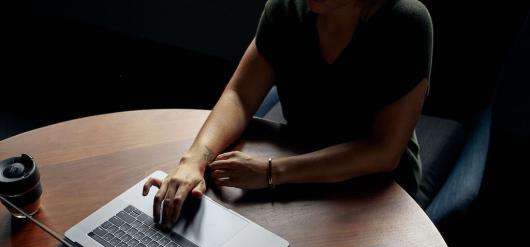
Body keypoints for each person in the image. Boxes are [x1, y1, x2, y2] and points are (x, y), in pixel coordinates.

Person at [143, 0, 433, 228]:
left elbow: (383, 151)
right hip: (298, 154)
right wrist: (194, 160)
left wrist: (272, 172)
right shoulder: (285, 9)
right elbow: (240, 96)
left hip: (375, 184)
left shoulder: (406, 21)